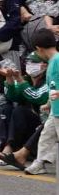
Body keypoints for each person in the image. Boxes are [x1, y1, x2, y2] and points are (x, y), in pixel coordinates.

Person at [21, 30, 59, 175]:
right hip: (55, 109)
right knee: (46, 136)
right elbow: (53, 87)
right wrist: (49, 103)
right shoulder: (53, 62)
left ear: (38, 48)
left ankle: (40, 162)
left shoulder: (56, 61)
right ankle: (39, 163)